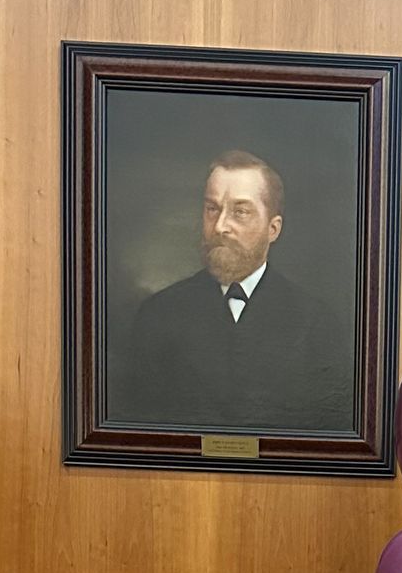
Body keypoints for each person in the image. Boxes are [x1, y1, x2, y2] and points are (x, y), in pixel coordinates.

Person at [105, 150, 349, 437]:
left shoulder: (316, 323)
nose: (220, 226)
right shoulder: (158, 315)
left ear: (273, 229)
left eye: (240, 212)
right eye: (212, 209)